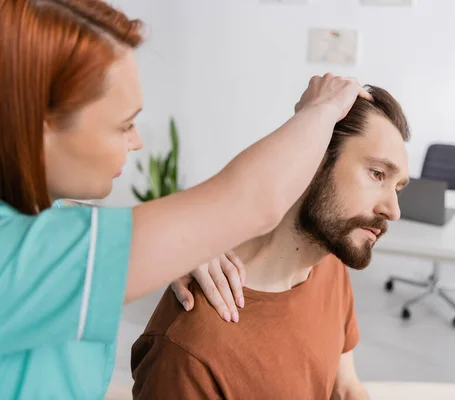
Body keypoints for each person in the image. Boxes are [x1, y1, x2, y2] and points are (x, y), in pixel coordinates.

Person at [0, 1, 373, 399]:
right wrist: (320, 110)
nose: (137, 141)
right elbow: (253, 202)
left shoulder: (40, 214)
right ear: (39, 127)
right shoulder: (17, 260)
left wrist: (174, 242)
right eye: (124, 125)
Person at [130, 86, 411, 399]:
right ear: (314, 159)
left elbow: (344, 387)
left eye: (398, 187)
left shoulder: (329, 262)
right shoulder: (188, 351)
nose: (393, 210)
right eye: (377, 174)